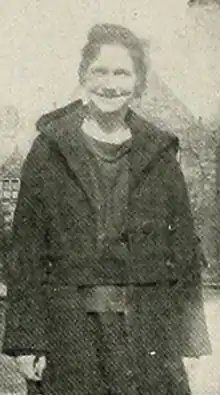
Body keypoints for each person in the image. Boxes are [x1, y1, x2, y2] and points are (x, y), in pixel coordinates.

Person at [3, 23, 211, 395]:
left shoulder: (160, 154)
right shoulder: (49, 150)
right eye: (100, 71)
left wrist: (190, 339)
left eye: (122, 73)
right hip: (69, 329)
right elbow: (26, 249)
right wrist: (27, 339)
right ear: (83, 76)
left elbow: (182, 251)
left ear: (138, 82)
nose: (110, 83)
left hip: (147, 329)